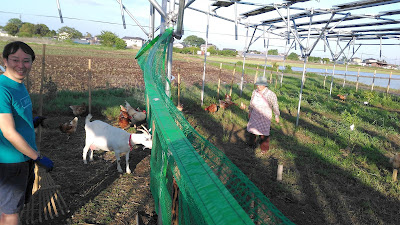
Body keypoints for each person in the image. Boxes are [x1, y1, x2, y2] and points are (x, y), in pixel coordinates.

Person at [0, 41, 54, 225]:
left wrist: (29, 122)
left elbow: (10, 119)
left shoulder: (18, 84)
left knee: (8, 209)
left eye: (26, 60)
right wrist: (37, 157)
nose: (21, 66)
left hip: (22, 158)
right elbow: (8, 132)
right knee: (10, 213)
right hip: (11, 161)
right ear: (5, 60)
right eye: (15, 60)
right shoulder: (2, 89)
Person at [246, 76, 280, 154]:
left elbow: (275, 105)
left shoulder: (271, 94)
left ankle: (264, 149)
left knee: (264, 133)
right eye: (257, 85)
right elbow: (251, 103)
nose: (258, 86)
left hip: (264, 116)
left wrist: (276, 115)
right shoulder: (255, 92)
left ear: (265, 85)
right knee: (252, 131)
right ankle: (251, 146)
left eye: (260, 85)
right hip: (255, 115)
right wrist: (250, 111)